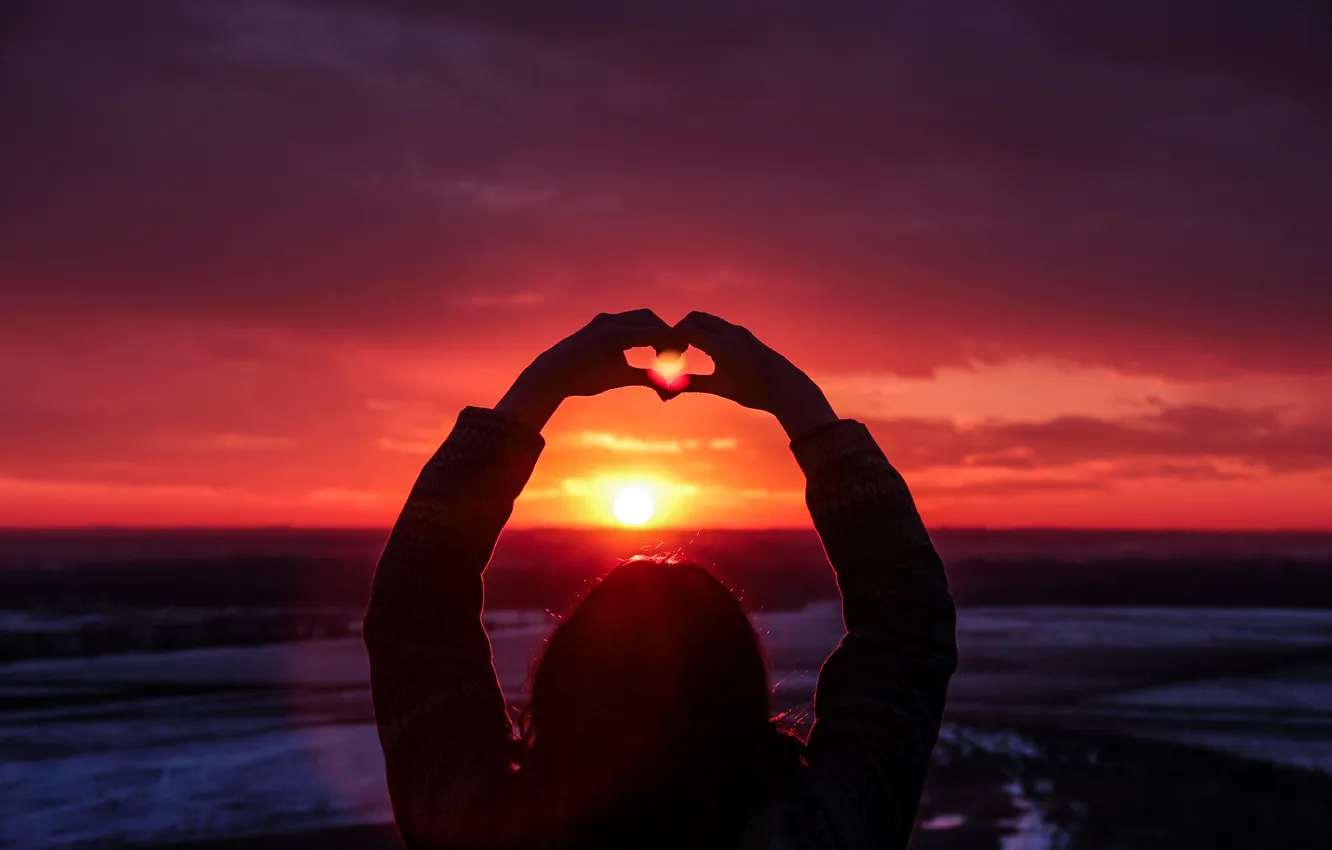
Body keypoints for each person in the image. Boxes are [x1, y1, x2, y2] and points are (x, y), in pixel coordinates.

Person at [363, 310, 958, 850]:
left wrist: (539, 390)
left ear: (562, 685)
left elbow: (417, 610)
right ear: (741, 692)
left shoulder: (478, 825)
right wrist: (801, 407)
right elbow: (906, 628)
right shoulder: (823, 833)